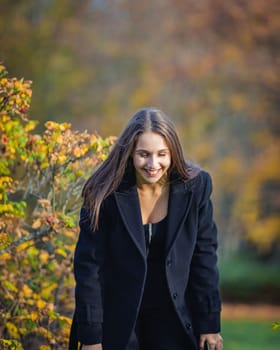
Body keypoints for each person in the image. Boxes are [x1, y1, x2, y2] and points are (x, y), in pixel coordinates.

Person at [69, 107, 223, 350]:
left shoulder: (196, 187)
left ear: (173, 153)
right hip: (115, 321)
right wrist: (91, 337)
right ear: (130, 153)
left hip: (174, 318)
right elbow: (89, 268)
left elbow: (203, 256)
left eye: (162, 154)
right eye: (144, 154)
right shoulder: (103, 192)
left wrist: (209, 322)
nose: (153, 164)